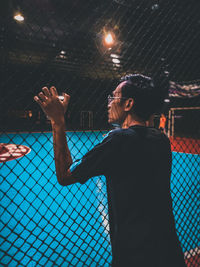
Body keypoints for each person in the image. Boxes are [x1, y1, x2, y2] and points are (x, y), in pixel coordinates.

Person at [34, 74, 186, 267]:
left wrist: (57, 121)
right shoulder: (161, 140)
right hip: (169, 252)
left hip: (134, 256)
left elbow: (65, 175)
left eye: (114, 97)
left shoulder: (118, 141)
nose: (109, 103)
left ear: (128, 104)